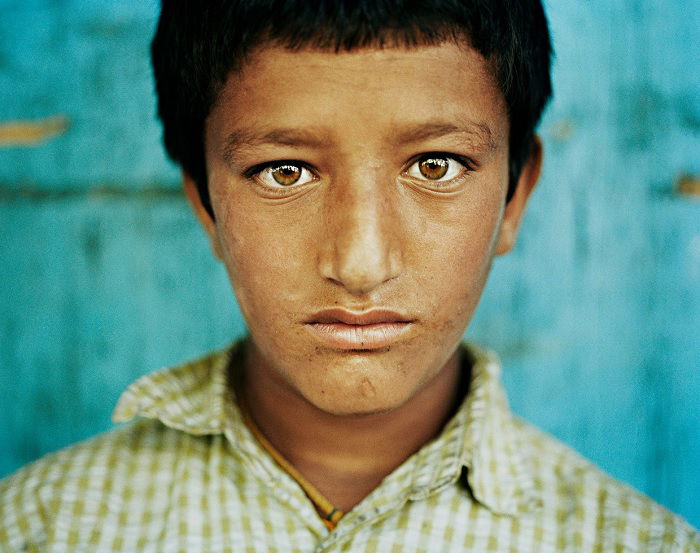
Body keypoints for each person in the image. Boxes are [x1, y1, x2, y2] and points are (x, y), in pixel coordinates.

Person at [1, 1, 698, 551]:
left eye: (436, 165)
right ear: (205, 204)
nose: (361, 264)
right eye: (285, 171)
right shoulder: (38, 529)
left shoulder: (635, 542)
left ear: (515, 197)